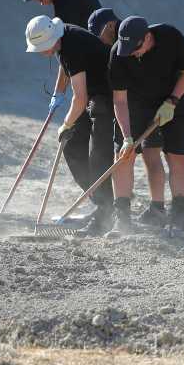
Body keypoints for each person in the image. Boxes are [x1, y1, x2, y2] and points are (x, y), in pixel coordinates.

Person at [21, 0, 103, 226]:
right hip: (91, 79)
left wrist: (65, 112)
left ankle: (104, 207)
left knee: (80, 144)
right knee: (78, 144)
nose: (38, 1)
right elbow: (67, 54)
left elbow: (70, 52)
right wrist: (58, 94)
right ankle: (101, 204)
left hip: (99, 85)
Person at [24, 15, 117, 235]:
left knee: (98, 155)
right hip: (93, 94)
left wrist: (66, 123)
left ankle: (106, 213)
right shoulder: (63, 37)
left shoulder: (71, 46)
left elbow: (80, 99)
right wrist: (58, 92)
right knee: (72, 145)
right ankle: (101, 203)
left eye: (41, 47)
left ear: (51, 39)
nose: (40, 52)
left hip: (109, 94)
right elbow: (67, 70)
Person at [108, 16, 184, 235]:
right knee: (123, 156)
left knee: (177, 155)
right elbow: (119, 100)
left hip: (174, 100)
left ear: (147, 37)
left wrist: (172, 101)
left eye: (135, 49)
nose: (131, 54)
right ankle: (122, 218)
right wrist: (127, 137)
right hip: (136, 105)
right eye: (126, 49)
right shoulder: (119, 54)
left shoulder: (170, 37)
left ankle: (178, 216)